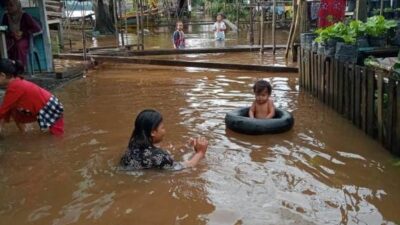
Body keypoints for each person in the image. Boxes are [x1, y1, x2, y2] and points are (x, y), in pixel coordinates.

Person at [120, 109, 208, 170]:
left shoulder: (132, 147)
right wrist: (200, 153)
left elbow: (156, 152)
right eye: (162, 128)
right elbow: (183, 168)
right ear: (153, 132)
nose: (164, 131)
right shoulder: (159, 156)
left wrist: (186, 146)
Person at [0, 59, 64, 135]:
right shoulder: (16, 82)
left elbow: (2, 110)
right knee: (13, 110)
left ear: (2, 75)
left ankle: (26, 134)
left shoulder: (14, 87)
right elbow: (5, 110)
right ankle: (25, 133)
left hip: (51, 108)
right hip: (44, 106)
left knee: (57, 137)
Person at [1, 0, 41, 67]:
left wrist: (23, 33)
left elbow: (37, 28)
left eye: (11, 5)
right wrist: (12, 33)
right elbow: (4, 28)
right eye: (7, 5)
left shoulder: (25, 15)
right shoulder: (6, 16)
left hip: (24, 39)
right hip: (11, 38)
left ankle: (20, 68)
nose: (8, 7)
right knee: (4, 46)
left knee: (19, 46)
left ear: (17, 6)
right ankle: (7, 67)